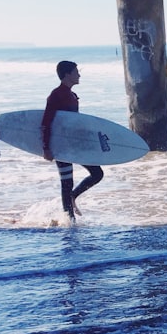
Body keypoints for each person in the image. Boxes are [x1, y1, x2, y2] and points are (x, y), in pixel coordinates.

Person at [41, 60, 103, 219]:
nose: (79, 75)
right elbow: (46, 122)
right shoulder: (56, 95)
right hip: (60, 146)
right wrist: (46, 148)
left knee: (97, 173)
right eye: (76, 72)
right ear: (67, 74)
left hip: (74, 144)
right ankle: (70, 221)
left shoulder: (72, 95)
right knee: (66, 182)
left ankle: (73, 196)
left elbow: (73, 123)